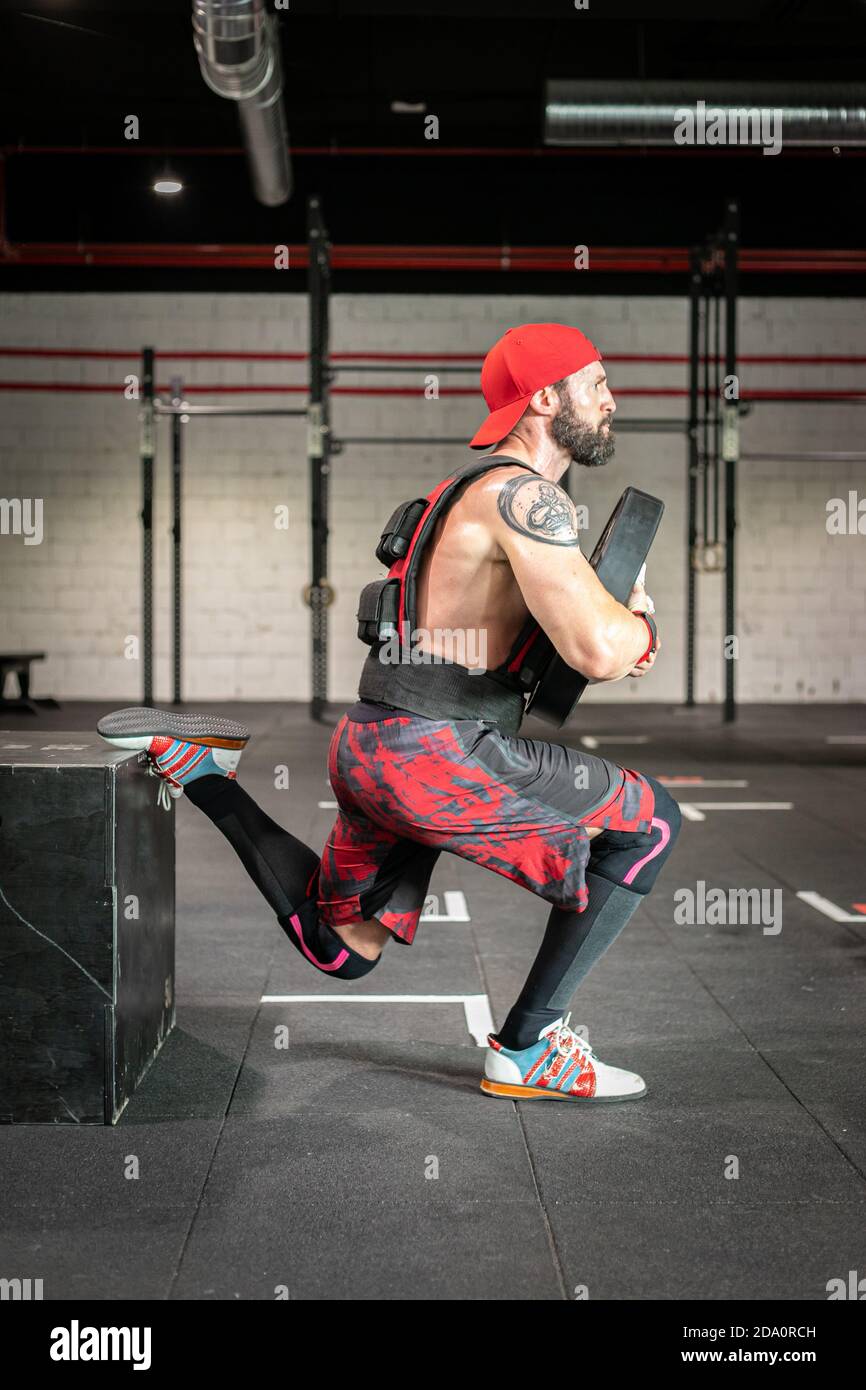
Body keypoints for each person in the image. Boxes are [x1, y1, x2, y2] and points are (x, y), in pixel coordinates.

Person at [98, 322, 681, 1103]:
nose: (611, 398)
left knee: (342, 945)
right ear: (544, 398)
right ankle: (529, 1046)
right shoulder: (528, 496)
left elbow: (548, 653)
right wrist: (639, 624)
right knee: (650, 825)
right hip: (443, 755)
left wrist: (612, 632)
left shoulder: (465, 489)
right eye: (596, 382)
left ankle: (204, 771)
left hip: (380, 743)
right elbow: (599, 653)